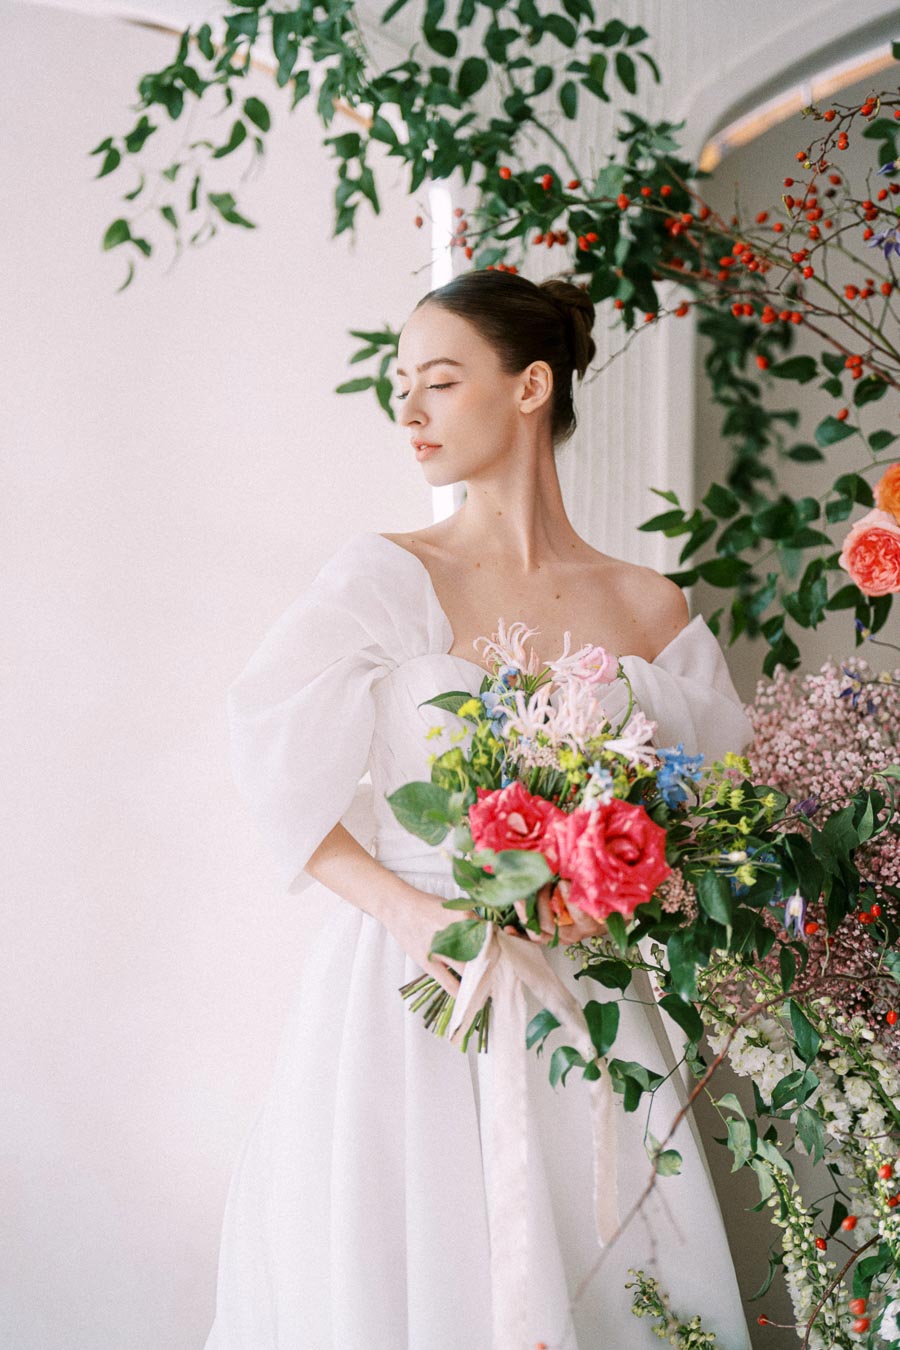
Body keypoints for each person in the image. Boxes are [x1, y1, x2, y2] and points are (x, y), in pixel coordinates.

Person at [203, 269, 755, 1350]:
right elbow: (268, 755)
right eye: (399, 385)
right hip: (412, 993)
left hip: (584, 993)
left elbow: (717, 807)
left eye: (440, 382)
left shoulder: (652, 605)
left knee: (612, 1274)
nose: (408, 413)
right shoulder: (385, 575)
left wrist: (622, 882)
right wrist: (410, 915)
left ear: (530, 386)